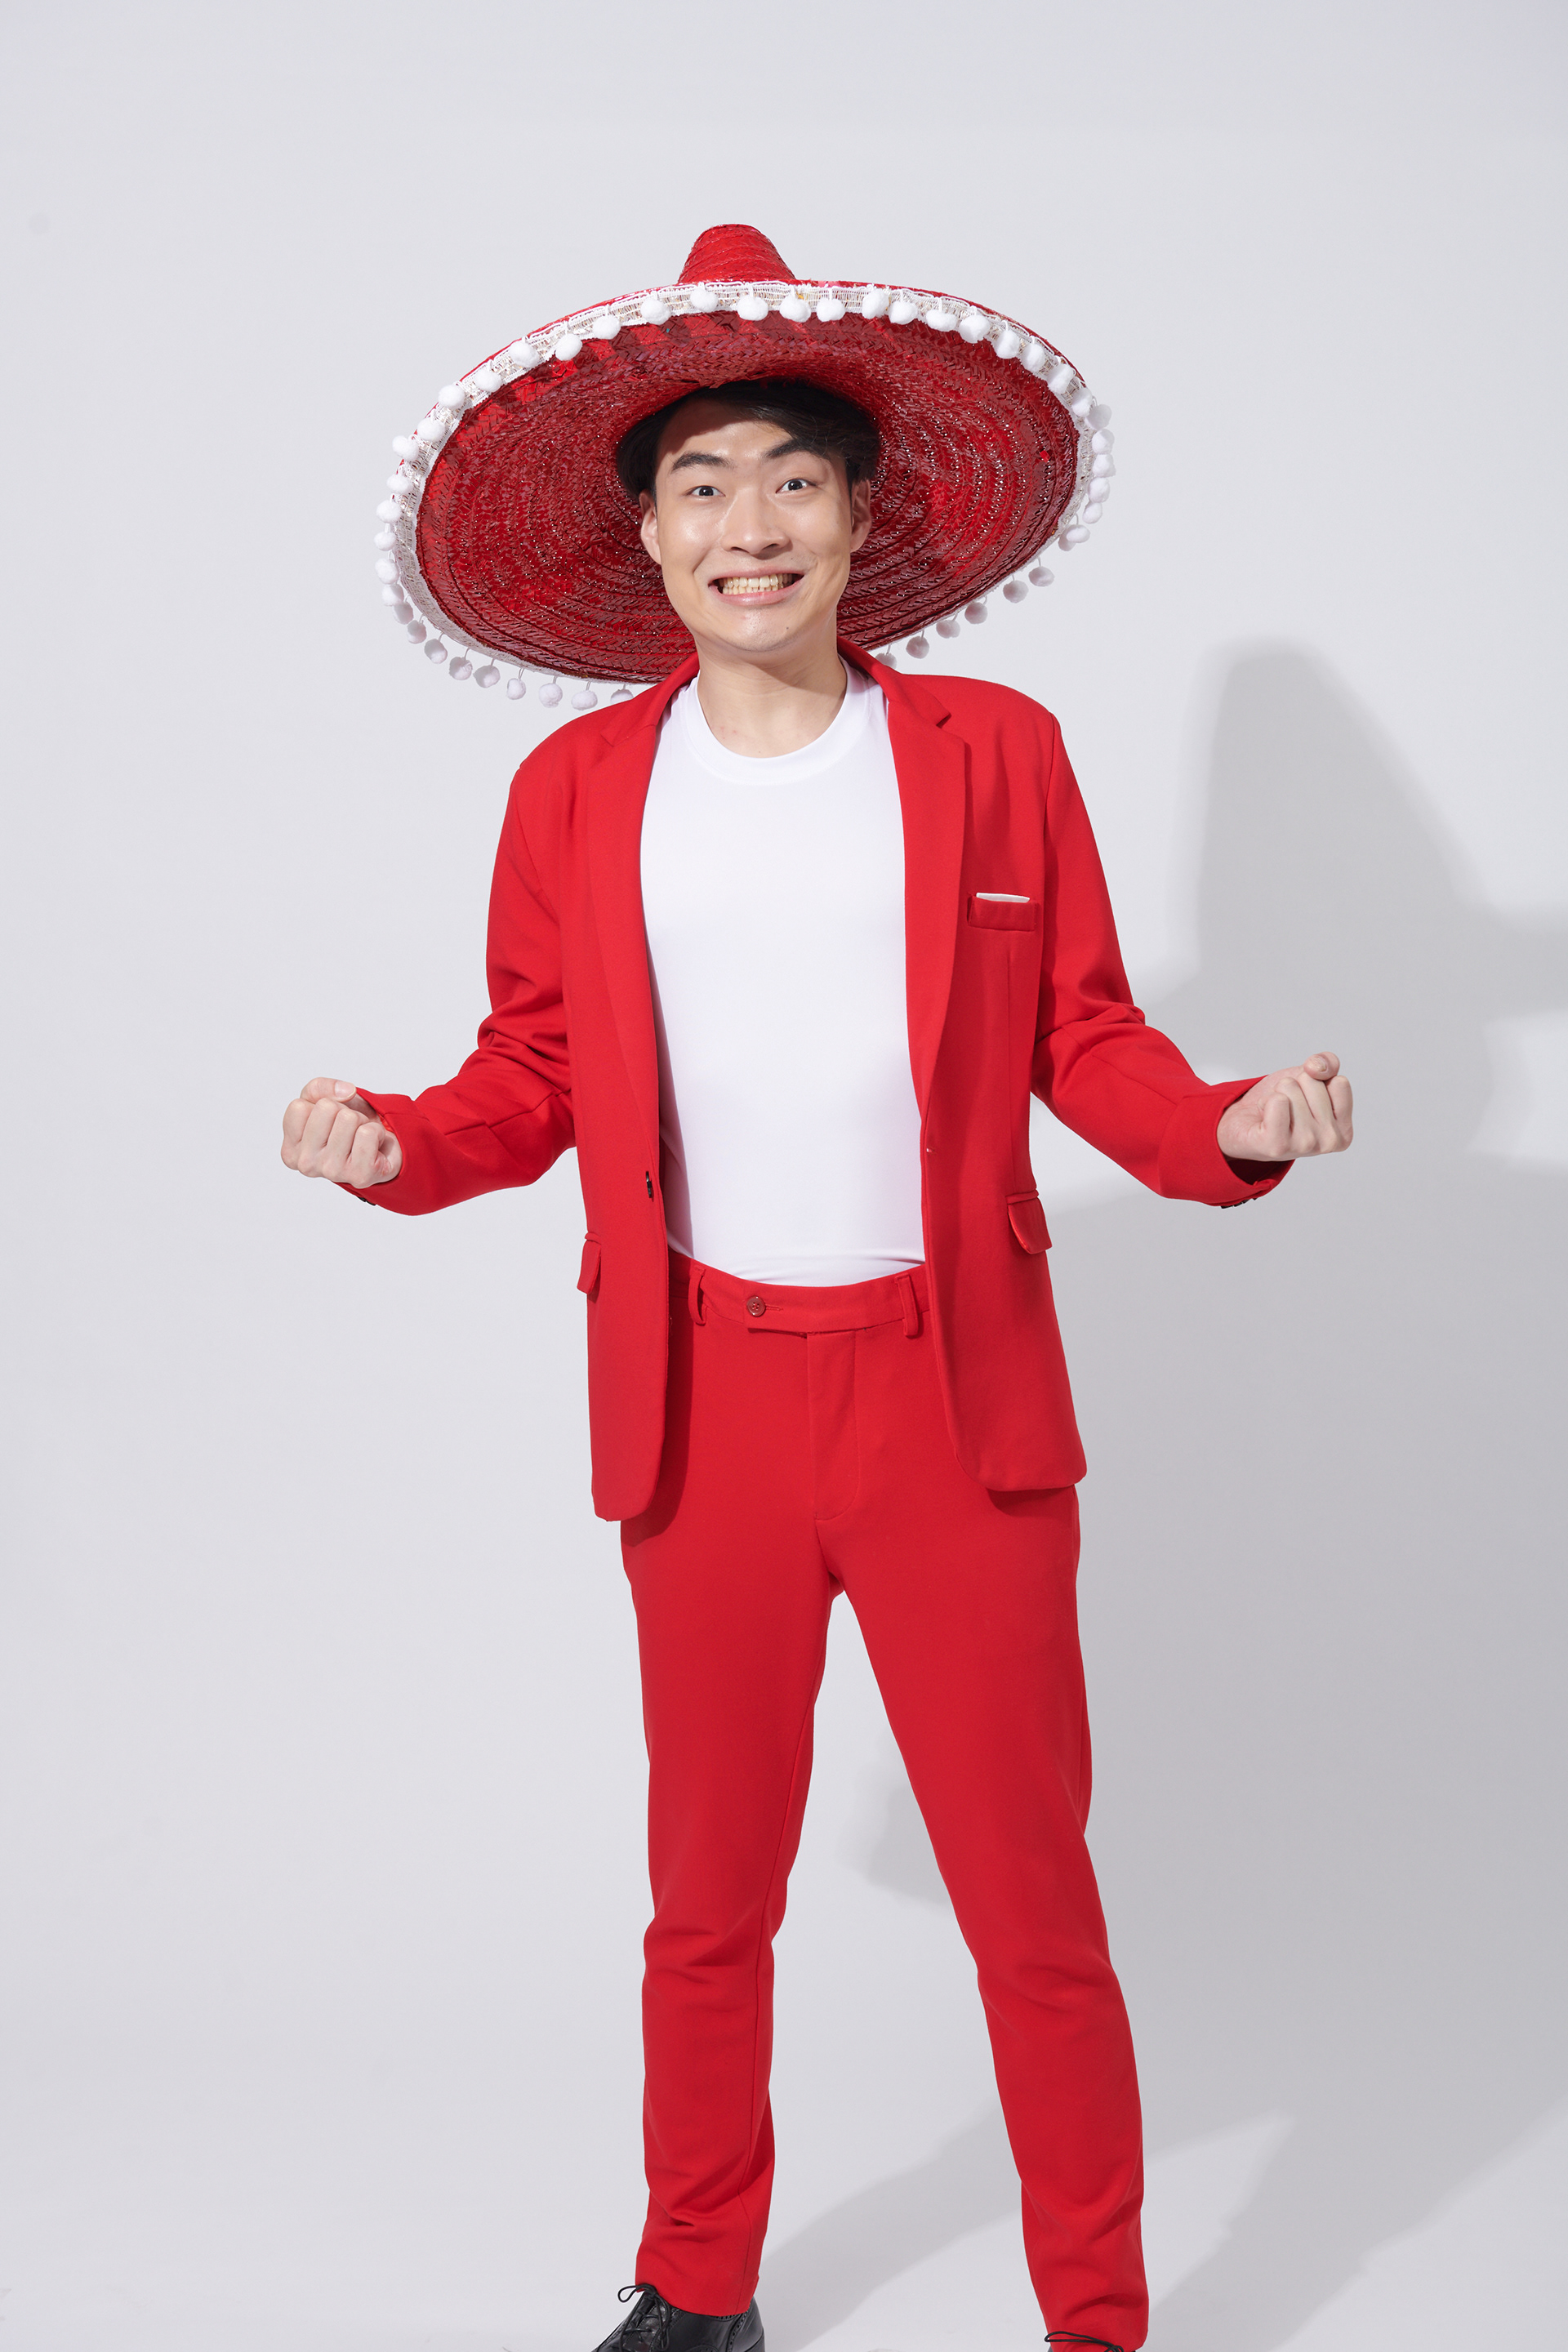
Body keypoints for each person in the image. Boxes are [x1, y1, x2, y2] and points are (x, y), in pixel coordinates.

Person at [281, 225, 1352, 2352]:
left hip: (958, 1403)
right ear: (648, 537)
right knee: (707, 1905)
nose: (747, 523)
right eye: (701, 485)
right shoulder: (575, 791)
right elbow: (533, 1073)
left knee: (1031, 1906)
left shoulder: (992, 752)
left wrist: (1224, 1122)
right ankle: (698, 2287)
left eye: (791, 478)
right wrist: (403, 1140)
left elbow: (1087, 1035)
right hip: (702, 1409)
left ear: (863, 518)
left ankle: (1097, 2315)